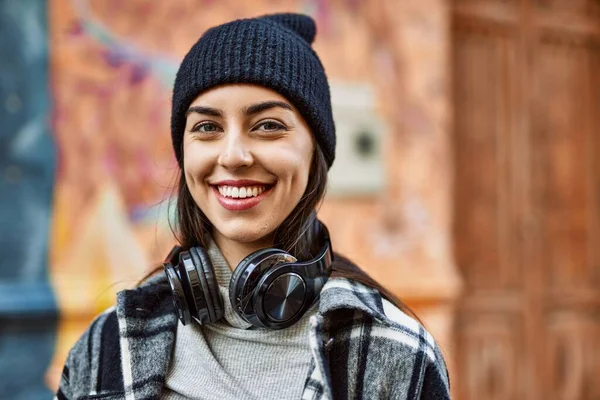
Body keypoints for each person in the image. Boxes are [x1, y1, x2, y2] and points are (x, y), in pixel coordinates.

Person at [55, 13, 450, 400]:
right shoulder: (106, 348)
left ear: (316, 152)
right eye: (207, 128)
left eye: (267, 125)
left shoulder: (397, 353)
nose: (233, 155)